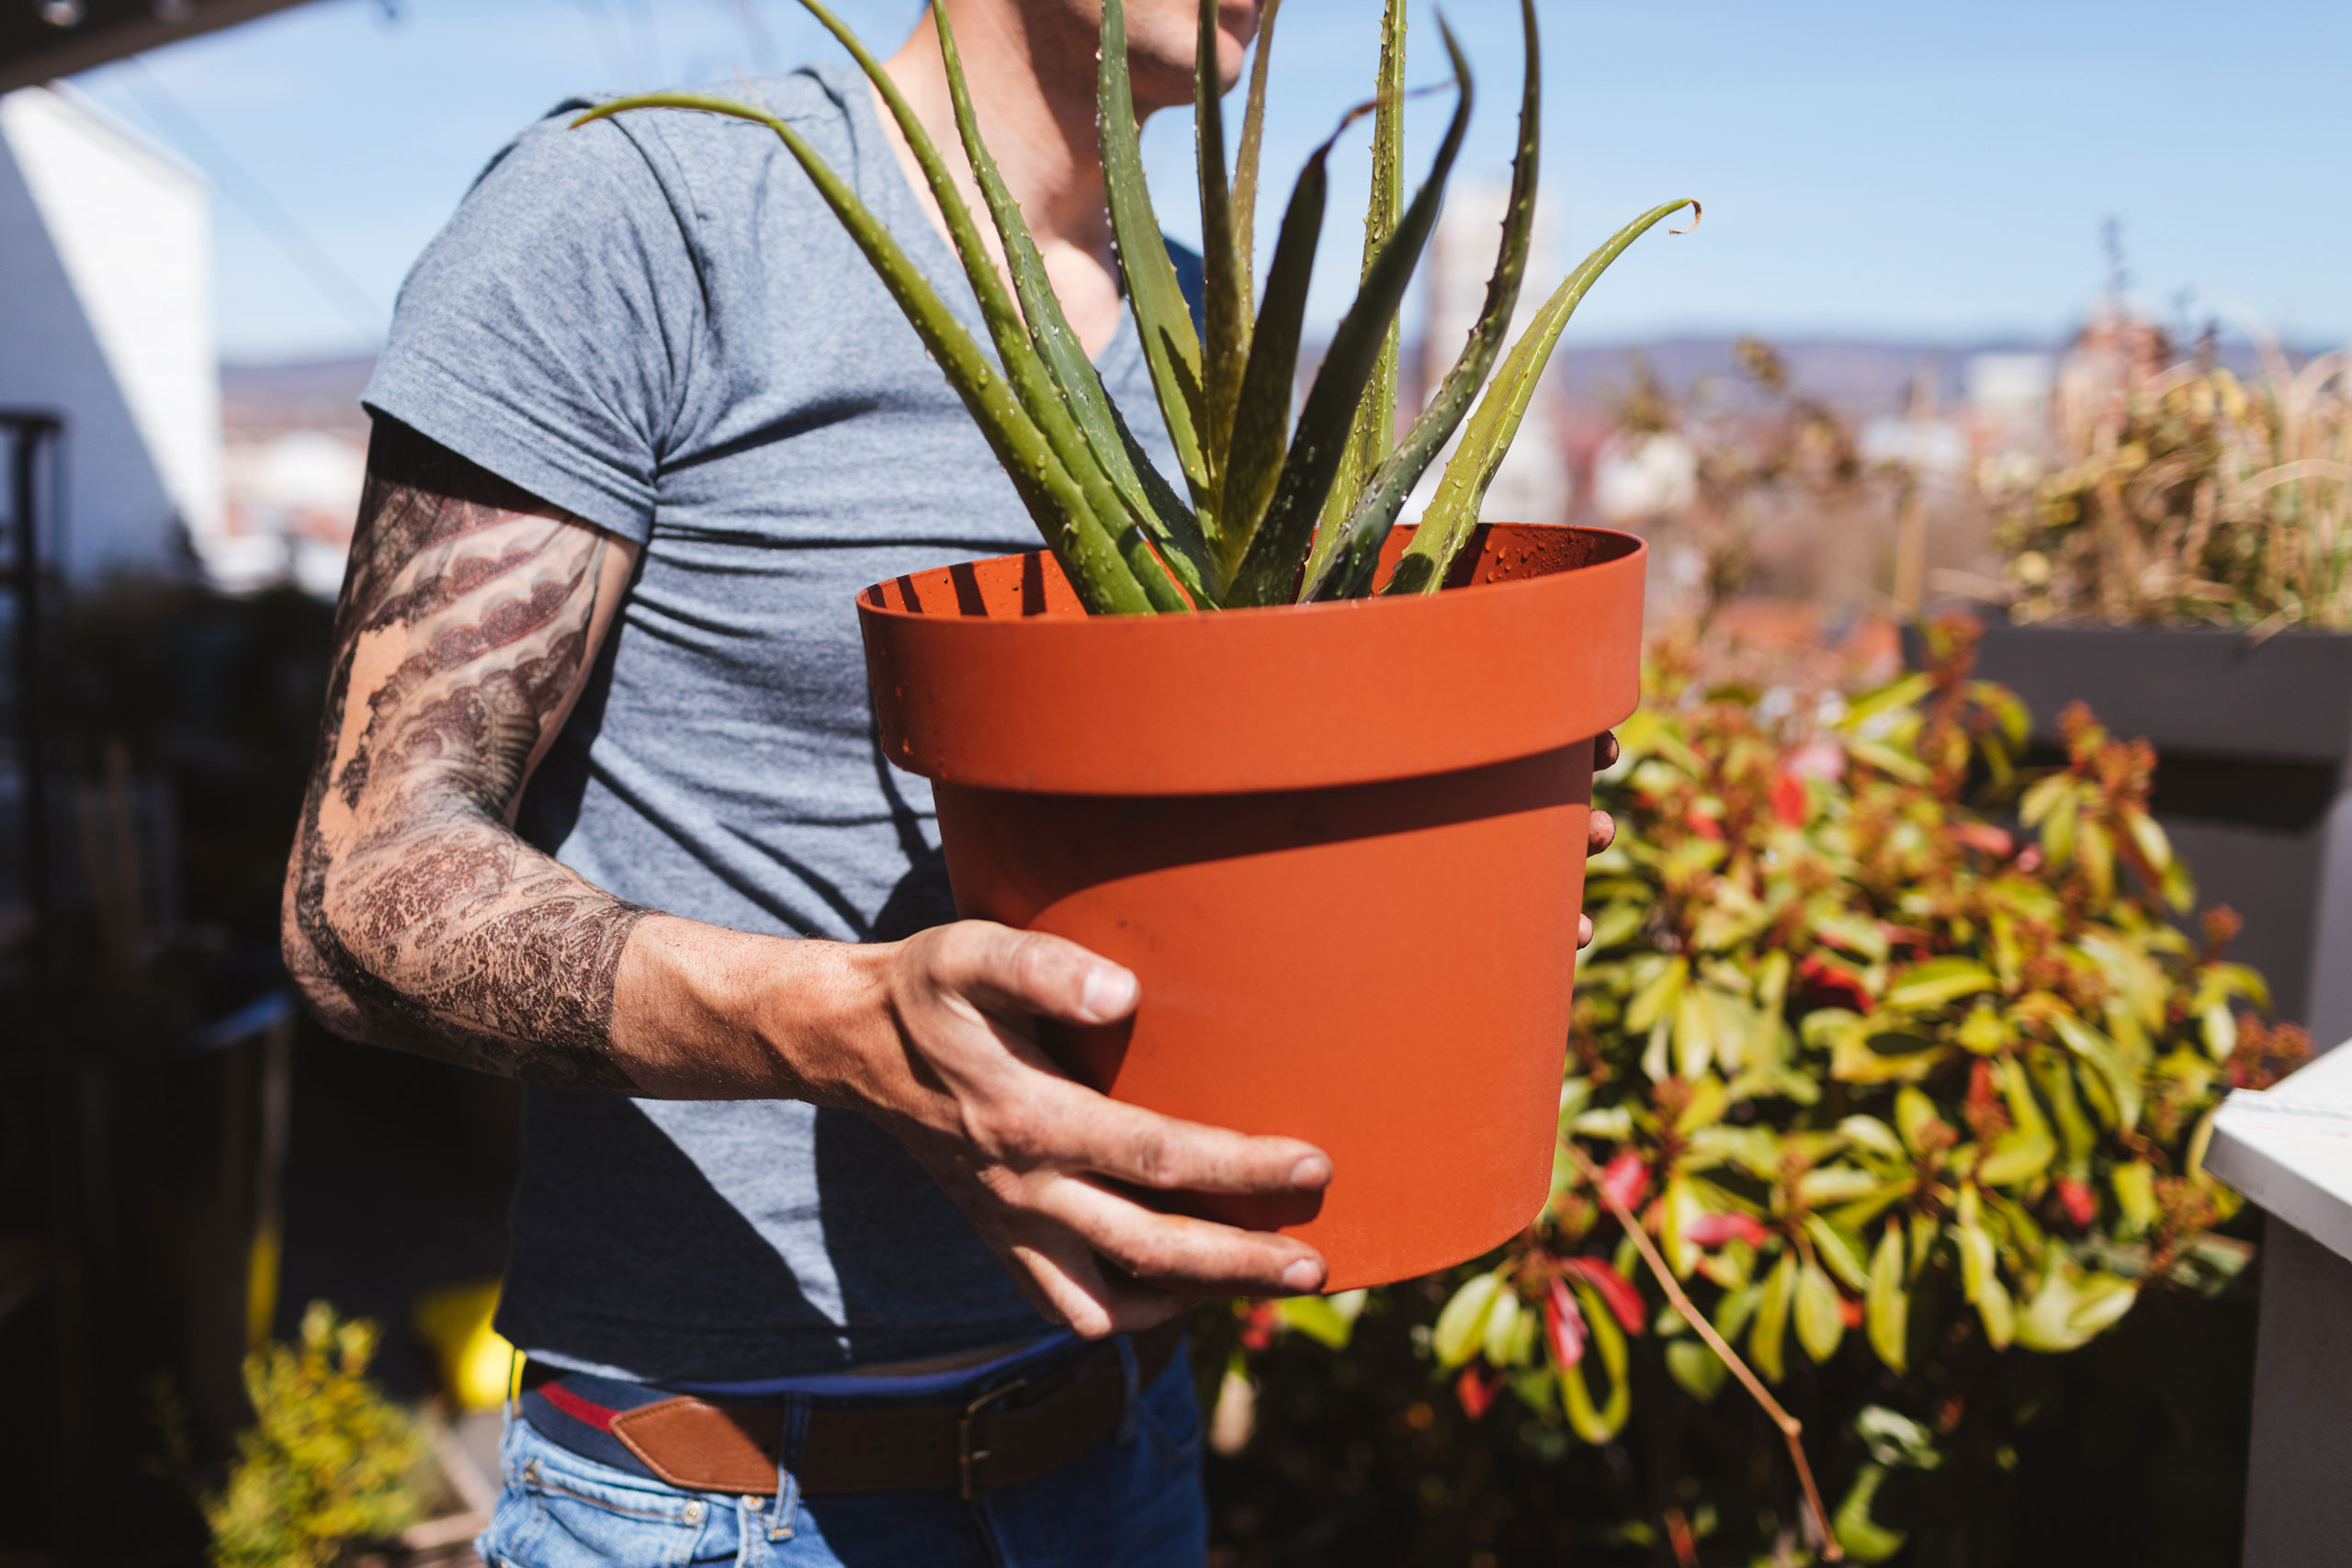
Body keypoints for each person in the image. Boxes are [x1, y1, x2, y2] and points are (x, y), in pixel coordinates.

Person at [281, 1, 1616, 1562]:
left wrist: (1441, 875)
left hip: (1117, 1455)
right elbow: (359, 891)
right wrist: (839, 1028)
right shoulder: (652, 211)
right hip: (710, 1493)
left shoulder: (1213, 337)